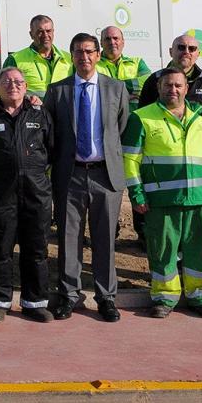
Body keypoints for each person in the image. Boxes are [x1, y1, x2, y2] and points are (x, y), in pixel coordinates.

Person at [45, 33, 131, 322]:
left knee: (104, 238)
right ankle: (70, 294)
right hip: (69, 176)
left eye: (89, 51)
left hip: (104, 175)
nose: (84, 57)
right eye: (78, 52)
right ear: (71, 55)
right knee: (69, 237)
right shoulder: (57, 91)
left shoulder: (116, 89)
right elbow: (52, 135)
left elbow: (120, 127)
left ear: (98, 55)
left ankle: (106, 296)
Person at [125, 69, 202, 319]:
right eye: (168, 85)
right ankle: (164, 298)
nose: (173, 90)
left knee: (199, 249)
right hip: (161, 199)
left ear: (186, 88)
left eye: (178, 85)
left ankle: (199, 296)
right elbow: (130, 159)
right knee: (163, 250)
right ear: (158, 87)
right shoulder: (141, 117)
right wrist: (137, 194)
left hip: (199, 198)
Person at [0, 68, 54, 322]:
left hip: (36, 195)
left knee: (36, 249)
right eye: (6, 82)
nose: (12, 86)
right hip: (0, 195)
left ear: (26, 86)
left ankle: (35, 302)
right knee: (0, 249)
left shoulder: (40, 115)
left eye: (18, 82)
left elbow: (51, 151)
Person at [136, 33, 202, 249]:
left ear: (198, 54)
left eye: (192, 48)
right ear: (170, 52)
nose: (186, 52)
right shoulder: (153, 80)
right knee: (164, 237)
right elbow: (143, 118)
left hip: (197, 178)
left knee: (195, 237)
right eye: (181, 47)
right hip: (163, 179)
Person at [3, 15, 72, 99]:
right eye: (40, 32)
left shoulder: (69, 59)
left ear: (53, 32)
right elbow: (4, 92)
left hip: (62, 111)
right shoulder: (15, 59)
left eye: (48, 31)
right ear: (31, 34)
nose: (45, 35)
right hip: (31, 111)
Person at [96, 26, 151, 97]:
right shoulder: (93, 64)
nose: (112, 42)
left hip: (133, 108)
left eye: (115, 38)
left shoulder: (137, 62)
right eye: (107, 39)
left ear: (123, 42)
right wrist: (126, 92)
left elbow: (149, 82)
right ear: (101, 43)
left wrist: (111, 87)